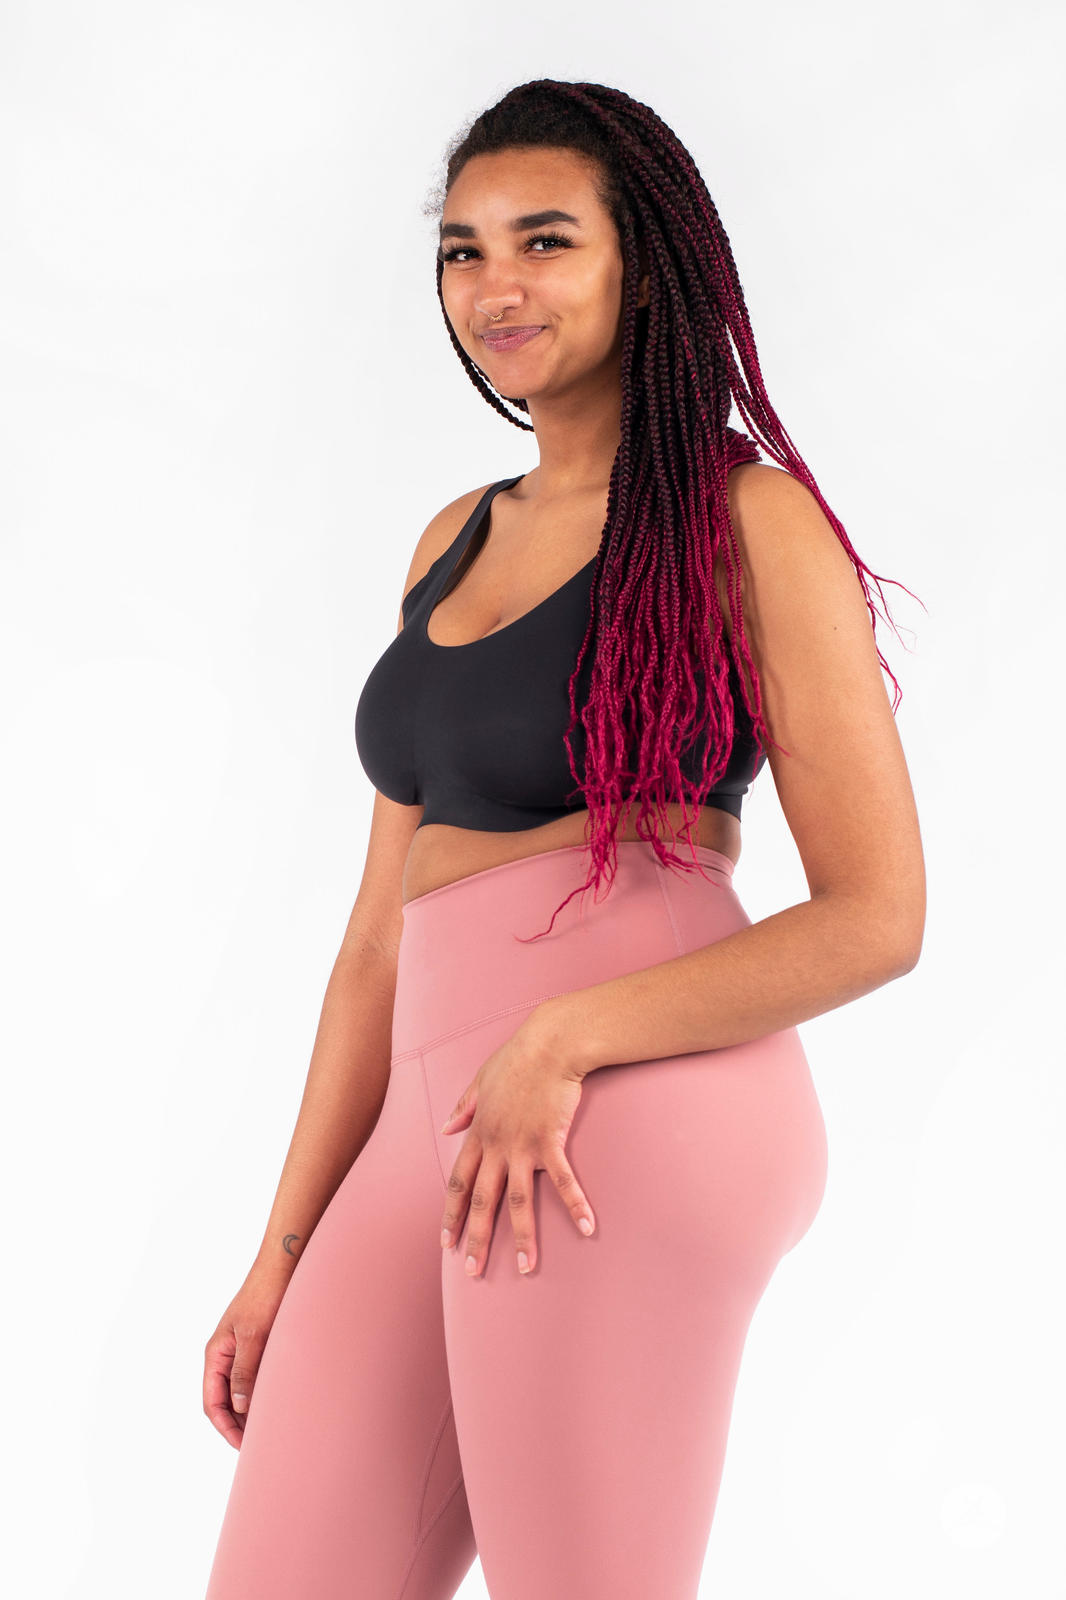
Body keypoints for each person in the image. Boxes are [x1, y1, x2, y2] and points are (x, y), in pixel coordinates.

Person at [201, 78, 925, 1600]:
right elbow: (373, 947)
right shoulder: (451, 538)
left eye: (545, 240)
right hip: (434, 1111)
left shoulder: (744, 519)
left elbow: (877, 913)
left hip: (627, 1096)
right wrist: (285, 1249)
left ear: (640, 265)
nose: (496, 286)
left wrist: (566, 1037)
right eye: (462, 252)